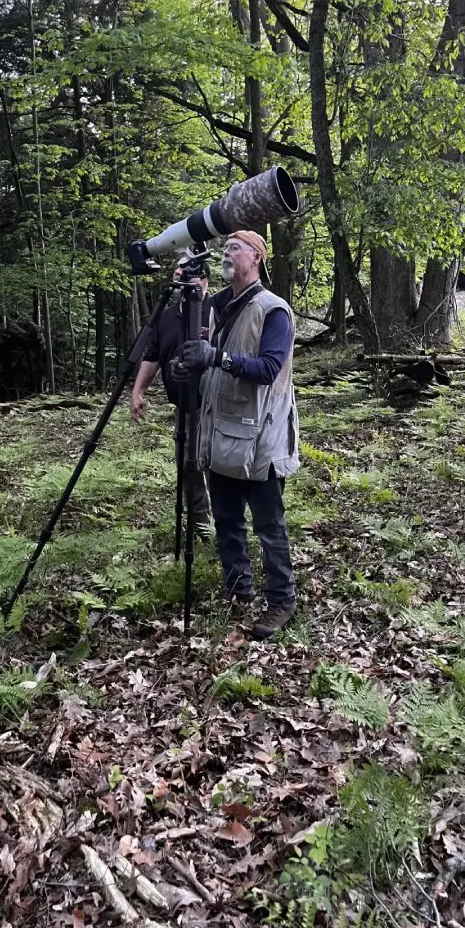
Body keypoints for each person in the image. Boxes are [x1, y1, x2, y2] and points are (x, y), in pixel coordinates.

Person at [176, 230, 299, 640]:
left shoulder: (273, 310)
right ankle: (238, 590)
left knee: (268, 524)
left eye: (235, 248)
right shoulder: (218, 307)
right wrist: (191, 366)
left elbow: (267, 369)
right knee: (226, 518)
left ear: (257, 259)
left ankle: (281, 600)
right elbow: (208, 360)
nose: (226, 254)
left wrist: (217, 357)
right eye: (224, 248)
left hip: (260, 437)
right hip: (220, 432)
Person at [130, 255, 213, 533]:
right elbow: (152, 357)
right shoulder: (167, 316)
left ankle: (224, 527)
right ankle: (200, 526)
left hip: (215, 407)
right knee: (188, 469)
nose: (178, 273)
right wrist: (138, 391)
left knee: (217, 467)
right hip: (184, 409)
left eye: (186, 269)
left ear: (203, 278)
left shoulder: (217, 310)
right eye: (177, 269)